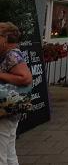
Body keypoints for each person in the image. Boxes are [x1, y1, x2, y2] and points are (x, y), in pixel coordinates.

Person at [0, 22, 33, 165]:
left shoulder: (11, 55)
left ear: (6, 38)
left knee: (2, 152)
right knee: (9, 151)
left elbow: (25, 78)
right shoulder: (13, 53)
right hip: (10, 110)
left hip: (5, 110)